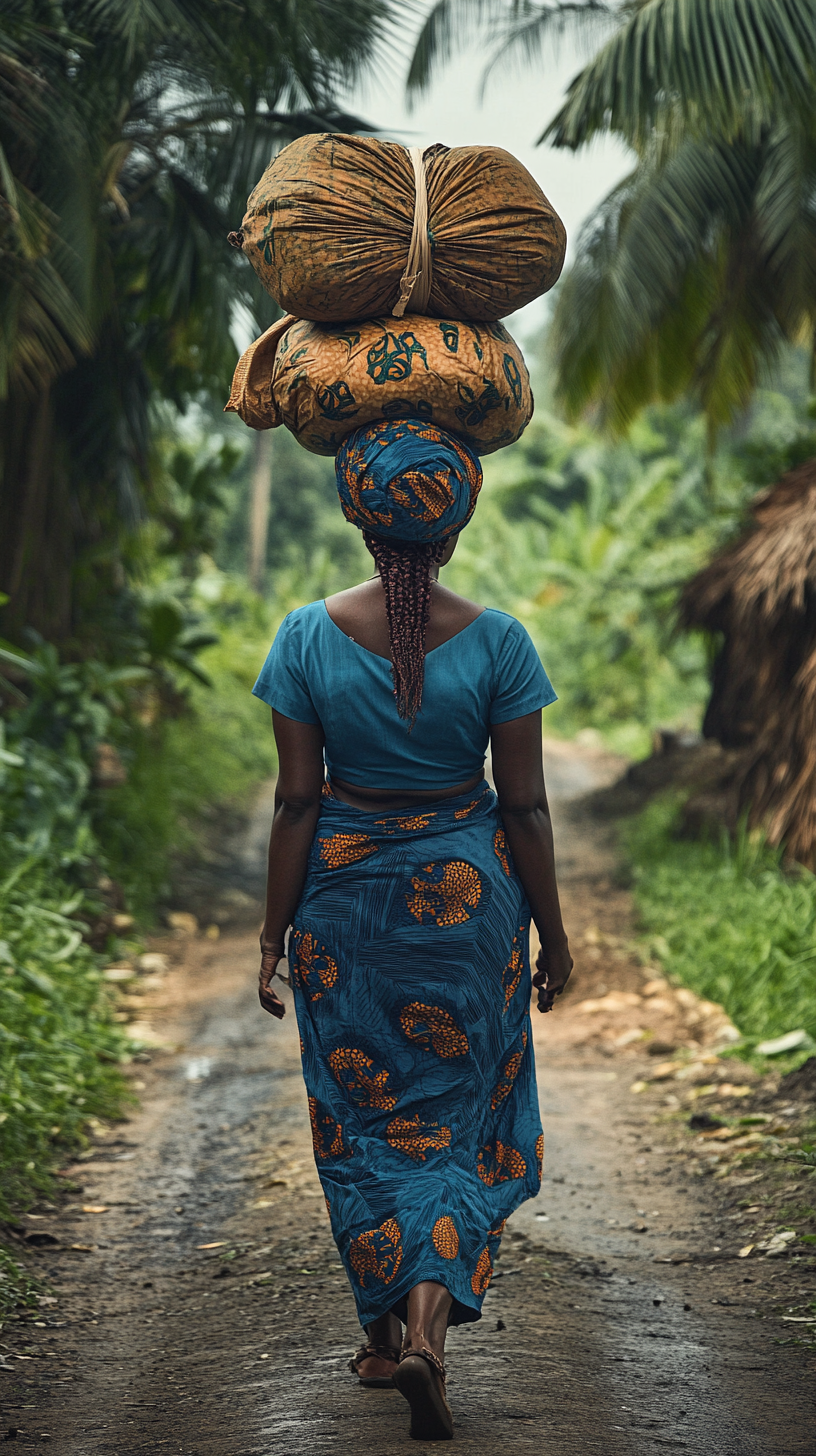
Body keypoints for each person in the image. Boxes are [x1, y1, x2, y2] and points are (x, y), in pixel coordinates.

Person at [252, 419, 572, 1442]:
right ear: (457, 523)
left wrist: (270, 938)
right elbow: (523, 808)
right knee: (456, 1122)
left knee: (366, 1118)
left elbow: (297, 804)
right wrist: (555, 937)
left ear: (357, 515)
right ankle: (426, 1333)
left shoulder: (304, 638)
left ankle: (388, 1334)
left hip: (343, 916)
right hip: (468, 912)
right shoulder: (501, 641)